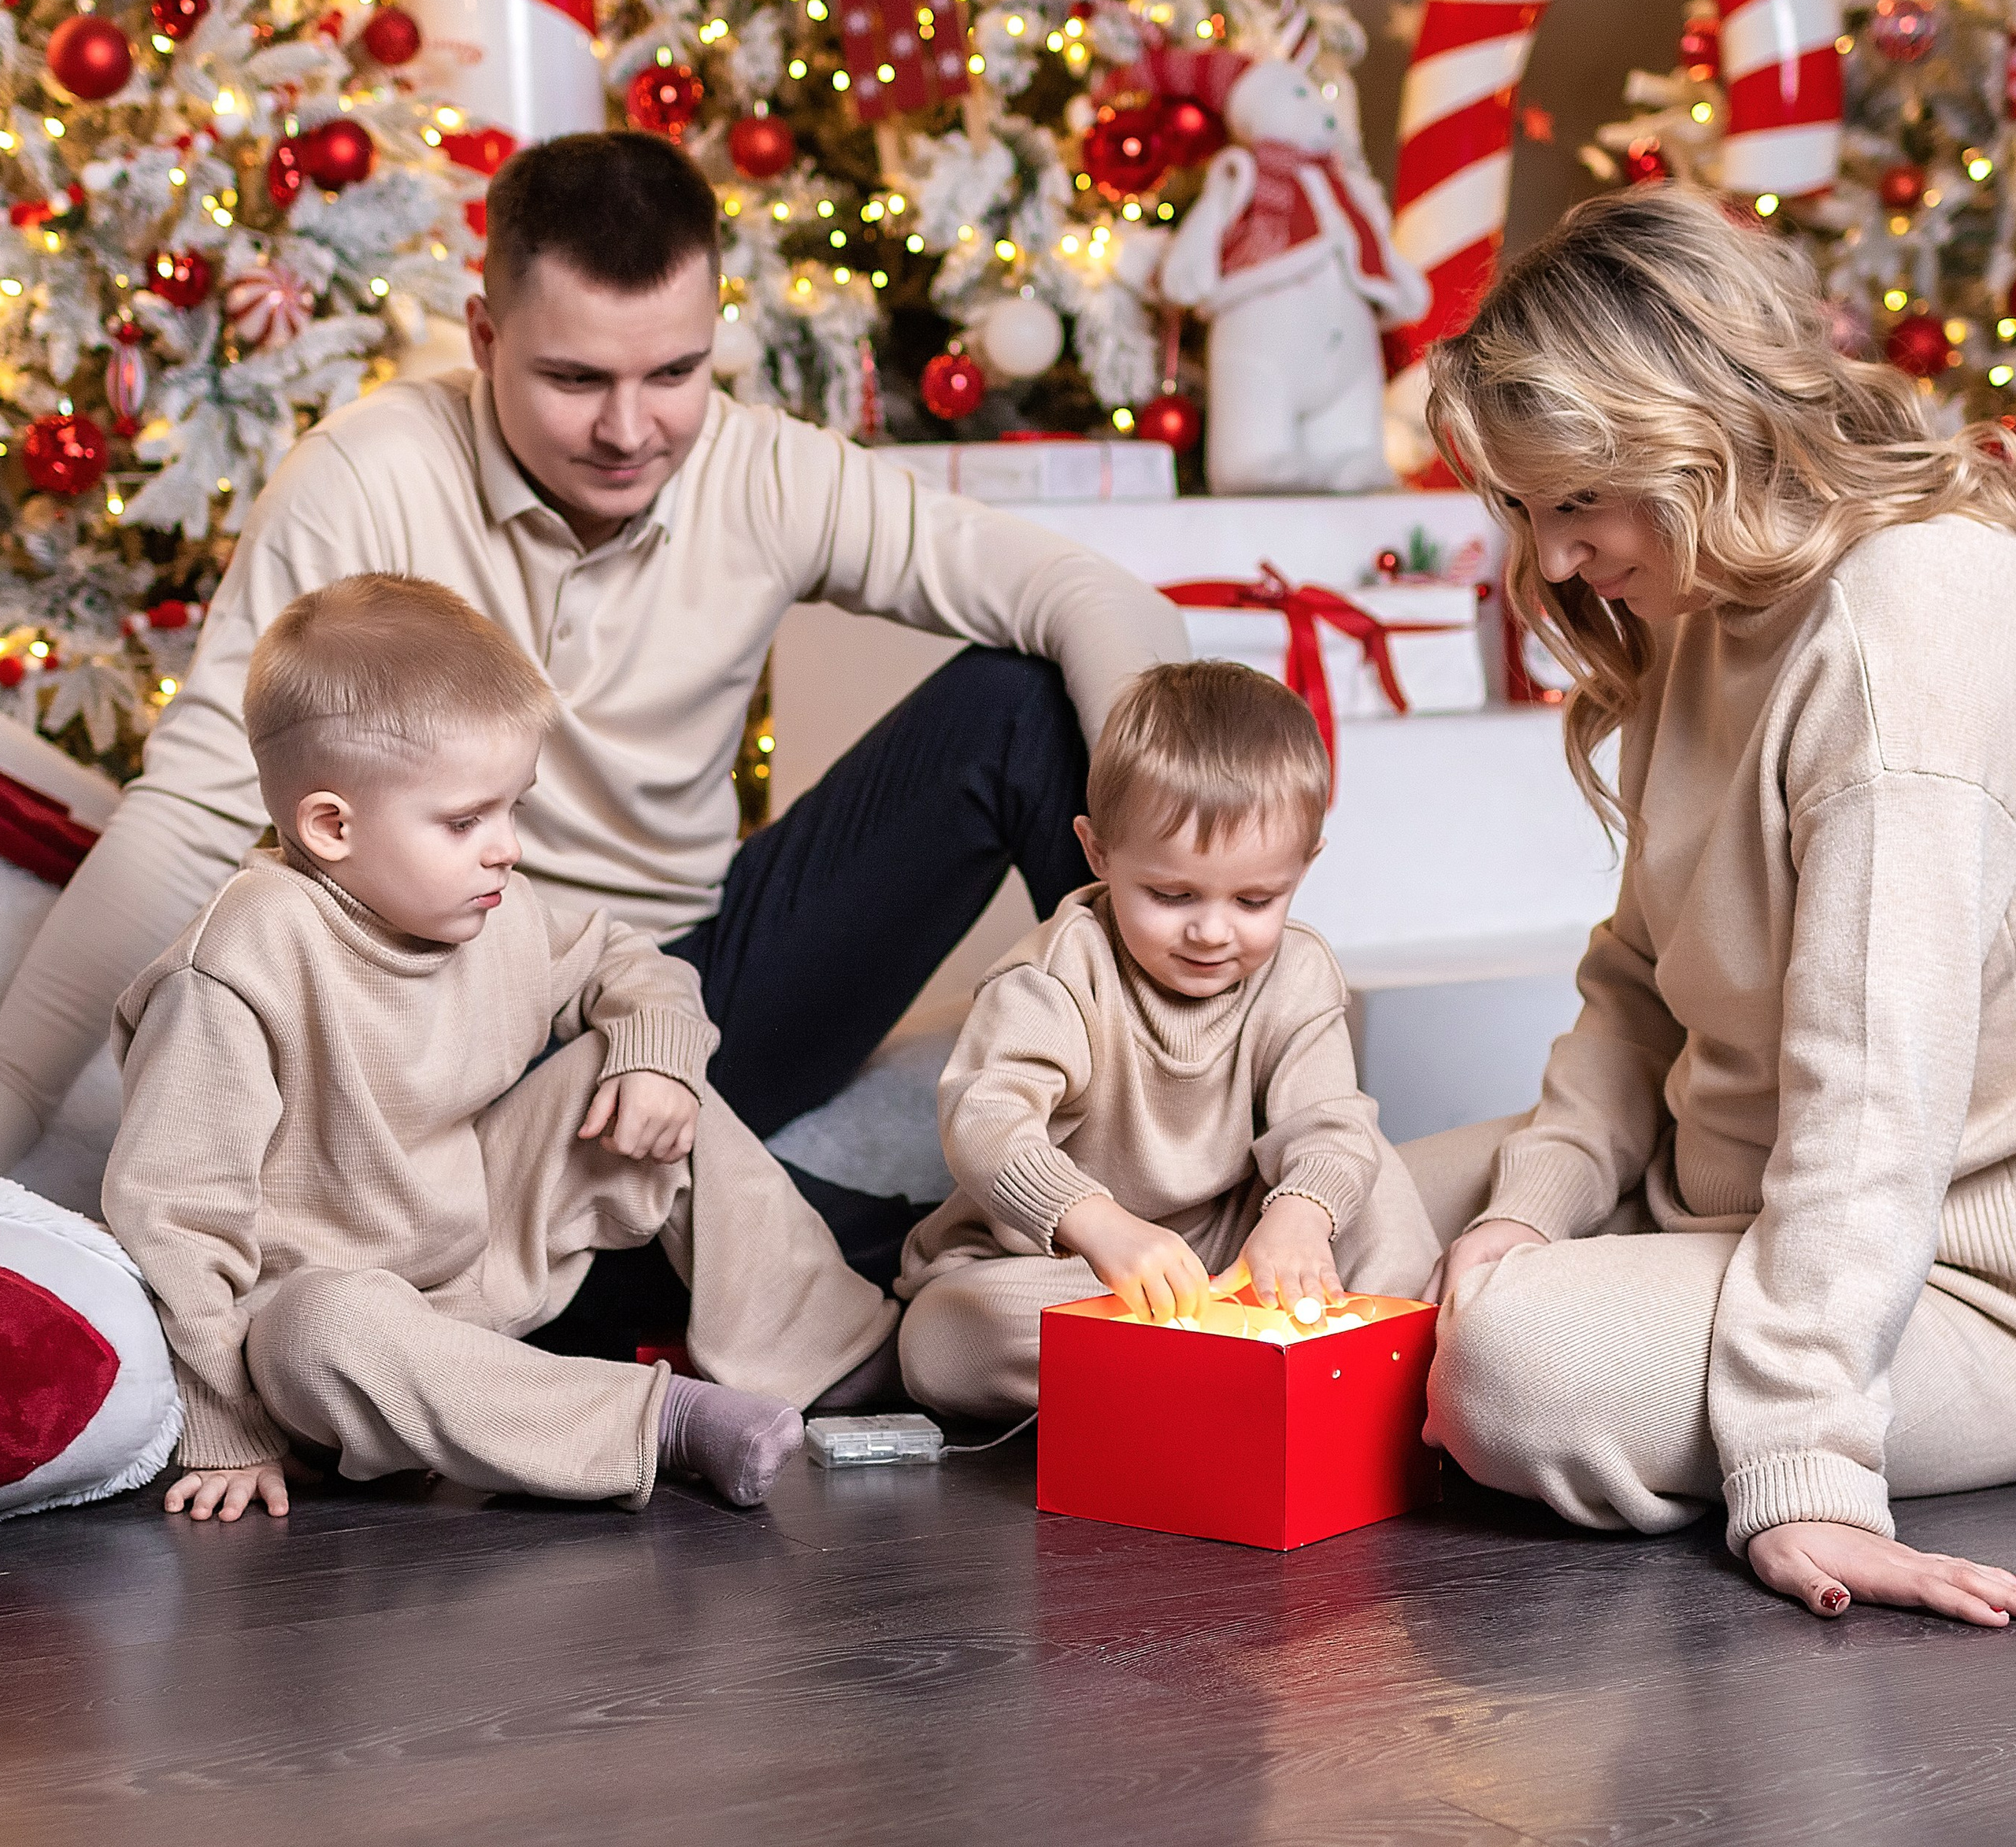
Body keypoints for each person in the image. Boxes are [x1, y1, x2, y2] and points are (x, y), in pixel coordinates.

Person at [0, 129, 1186, 1324]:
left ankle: (1184, 1163)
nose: (631, 431)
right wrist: (8, 1107)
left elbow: (1094, 597)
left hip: (697, 986)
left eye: (673, 373)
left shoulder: (766, 468)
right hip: (450, 1013)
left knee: (1021, 705)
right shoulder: (368, 476)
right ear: (484, 340)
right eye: (575, 381)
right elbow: (199, 804)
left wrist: (1183, 840)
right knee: (630, 1271)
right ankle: (856, 1268)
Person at [1410, 180, 2016, 1627]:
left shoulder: (1912, 616)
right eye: (1522, 509)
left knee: (1514, 1371)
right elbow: (1634, 979)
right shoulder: (1705, 595)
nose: (1552, 562)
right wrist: (1548, 1197)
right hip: (1727, 1190)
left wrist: (1802, 1457)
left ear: (1694, 436)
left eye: (1576, 504)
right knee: (1353, 1207)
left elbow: (1878, 1100)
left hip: (1943, 1272)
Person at [102, 576, 896, 1523]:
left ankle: (840, 1352)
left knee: (634, 1072)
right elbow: (176, 1221)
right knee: (321, 1325)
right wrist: (226, 1426)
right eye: (465, 821)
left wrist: (653, 1053)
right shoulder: (237, 968)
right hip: (328, 1348)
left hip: (475, 1255)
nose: (506, 849)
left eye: (513, 809)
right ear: (330, 828)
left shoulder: (491, 909)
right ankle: (657, 1422)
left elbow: (625, 960)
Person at [895, 660, 1439, 1416]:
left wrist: (1298, 1218)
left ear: (1303, 867)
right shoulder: (1057, 976)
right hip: (1086, 1269)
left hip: (1239, 1260)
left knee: (1367, 1167)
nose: (1212, 931)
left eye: (1256, 899)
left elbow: (1326, 1125)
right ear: (1098, 853)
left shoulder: (1299, 971)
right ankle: (1247, 1378)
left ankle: (1252, 1373)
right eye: (1171, 895)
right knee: (945, 1339)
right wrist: (1101, 1229)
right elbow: (986, 1124)